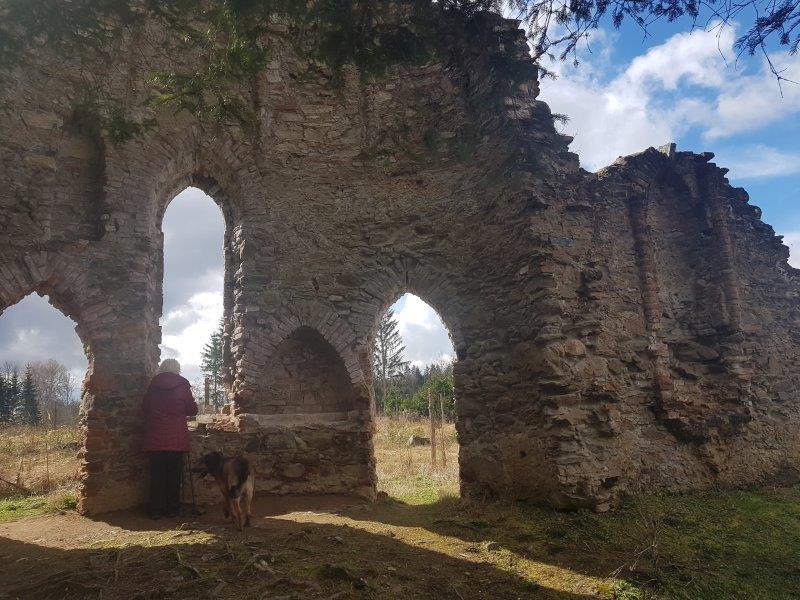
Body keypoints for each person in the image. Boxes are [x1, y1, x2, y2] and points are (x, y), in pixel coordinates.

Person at [142, 358, 198, 519]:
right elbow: (192, 409)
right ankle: (172, 509)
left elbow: (144, 408)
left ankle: (156, 510)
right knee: (174, 476)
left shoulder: (153, 385)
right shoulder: (182, 385)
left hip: (155, 437)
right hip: (177, 438)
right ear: (177, 369)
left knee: (157, 476)